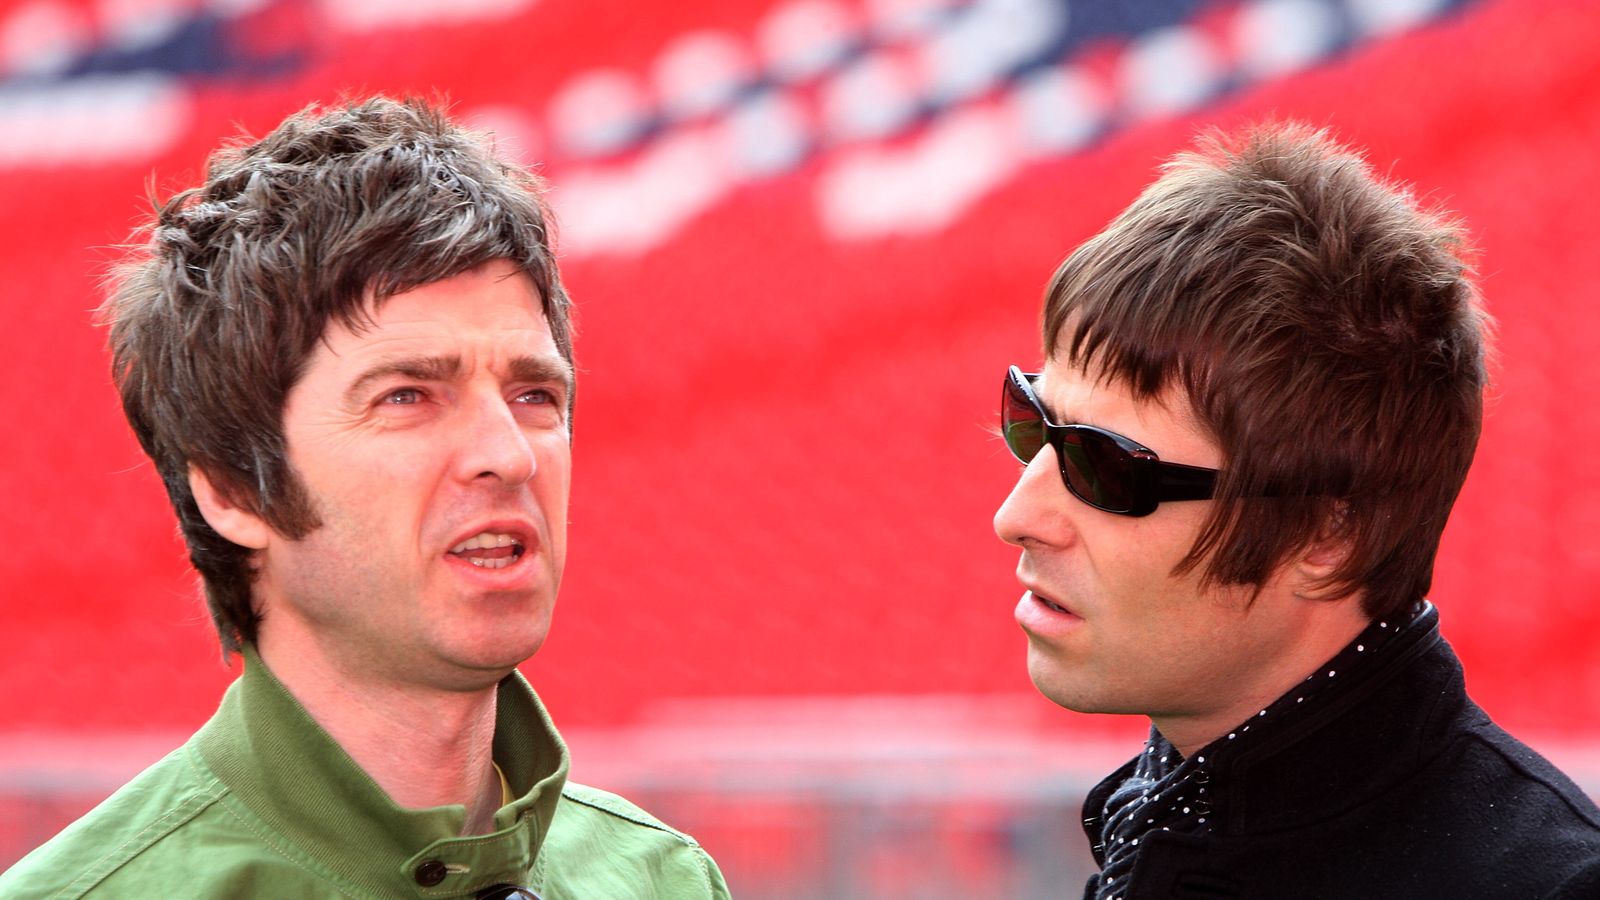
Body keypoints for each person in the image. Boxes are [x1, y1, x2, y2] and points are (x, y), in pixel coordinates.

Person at [0, 97, 729, 899]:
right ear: (235, 487)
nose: (508, 455)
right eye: (409, 396)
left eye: (533, 396)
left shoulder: (663, 881)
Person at [993, 123, 1600, 899]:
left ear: (1328, 537)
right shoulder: (1174, 815)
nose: (1016, 515)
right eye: (1029, 420)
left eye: (1106, 465)